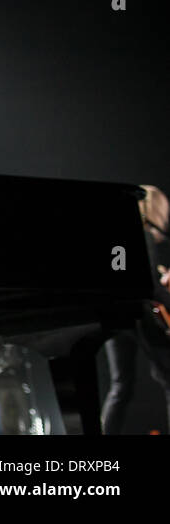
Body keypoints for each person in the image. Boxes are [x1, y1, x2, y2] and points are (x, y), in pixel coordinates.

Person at [101, 184, 170, 433]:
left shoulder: (115, 235)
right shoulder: (144, 235)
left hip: (114, 315)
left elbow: (120, 276)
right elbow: (149, 286)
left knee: (121, 386)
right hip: (140, 315)